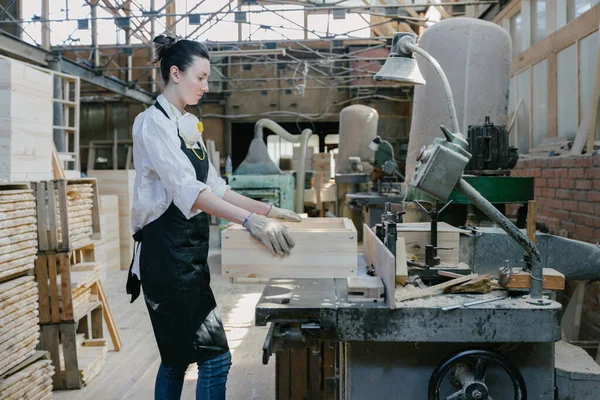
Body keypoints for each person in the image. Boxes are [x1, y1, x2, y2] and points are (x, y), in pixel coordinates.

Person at [125, 35, 302, 400]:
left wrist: (266, 210)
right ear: (175, 73)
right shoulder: (152, 124)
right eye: (201, 77)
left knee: (175, 360)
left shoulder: (186, 125)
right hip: (166, 257)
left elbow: (215, 187)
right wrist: (250, 222)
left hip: (185, 256)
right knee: (215, 359)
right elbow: (189, 192)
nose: (207, 86)